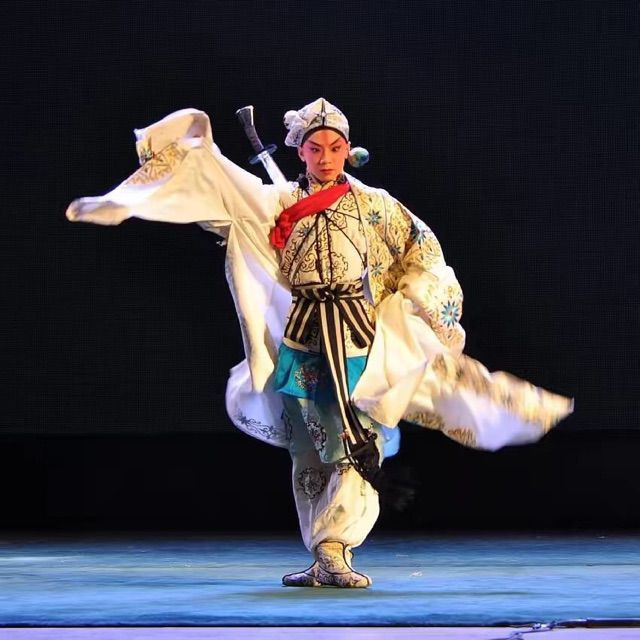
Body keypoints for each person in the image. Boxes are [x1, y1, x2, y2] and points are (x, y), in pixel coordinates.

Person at [66, 98, 573, 588]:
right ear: (300, 151)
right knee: (309, 449)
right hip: (303, 335)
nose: (325, 157)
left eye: (334, 148)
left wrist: (420, 298)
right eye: (315, 148)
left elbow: (424, 253)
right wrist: (141, 189)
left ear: (348, 149)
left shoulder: (376, 205)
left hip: (357, 335)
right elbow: (221, 187)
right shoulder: (277, 201)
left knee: (356, 438)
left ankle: (335, 547)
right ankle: (322, 553)